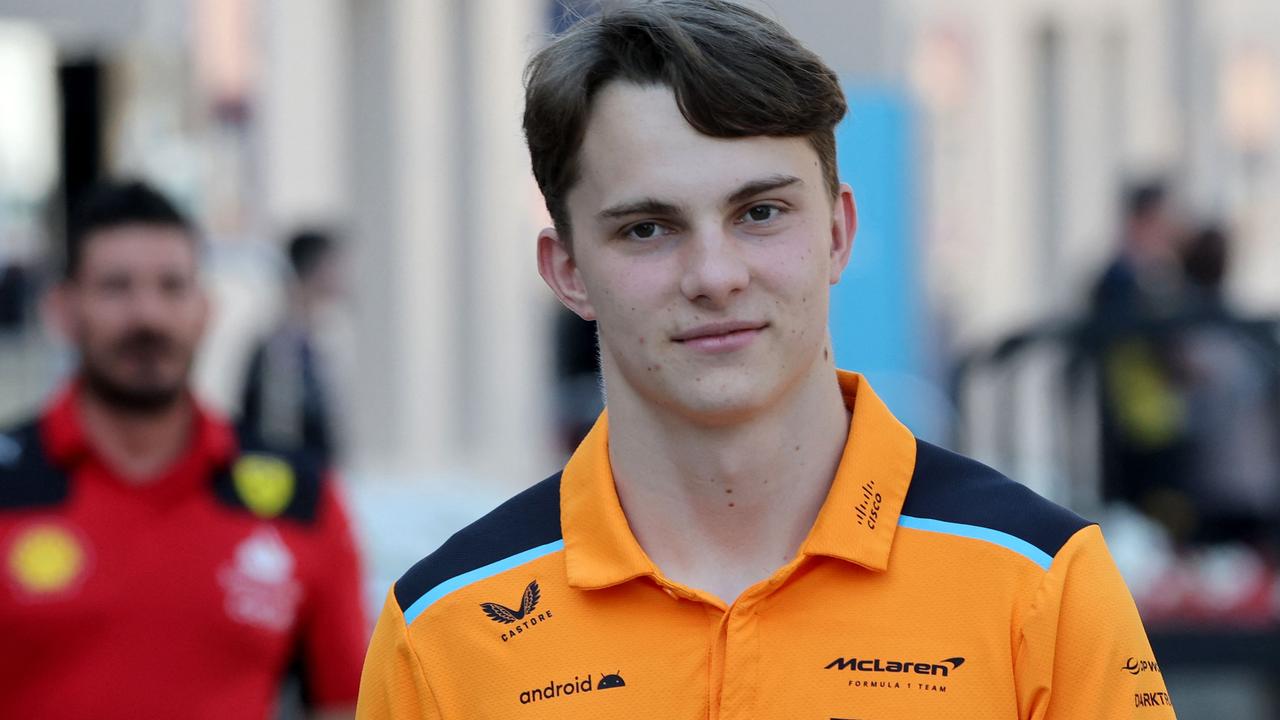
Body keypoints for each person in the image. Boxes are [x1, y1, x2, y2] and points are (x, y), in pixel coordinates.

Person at [358, 2, 1176, 717]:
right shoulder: (446, 627)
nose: (715, 275)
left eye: (759, 212)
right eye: (647, 227)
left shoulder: (1037, 584)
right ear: (569, 271)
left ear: (837, 233)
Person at [0, 180, 367, 720]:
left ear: (205, 309)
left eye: (172, 287)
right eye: (115, 288)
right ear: (63, 310)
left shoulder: (302, 499)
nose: (147, 316)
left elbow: (346, 703)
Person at [240, 229, 346, 464]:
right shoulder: (280, 352)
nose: (342, 275)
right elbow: (274, 438)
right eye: (334, 265)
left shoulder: (316, 343)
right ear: (314, 271)